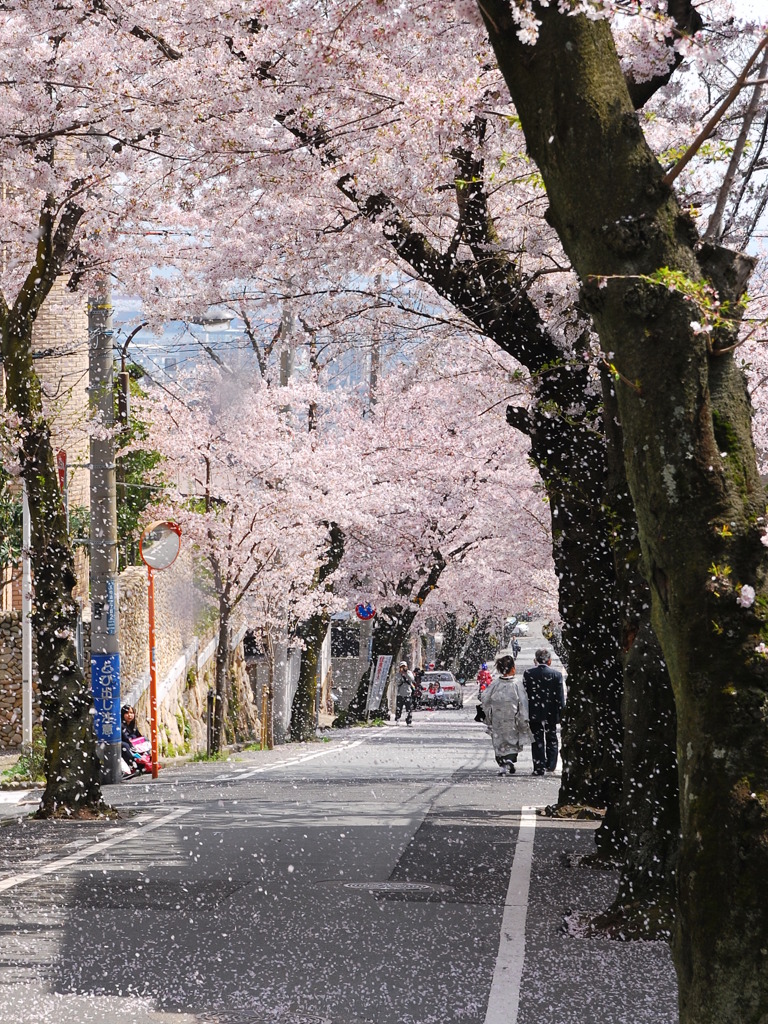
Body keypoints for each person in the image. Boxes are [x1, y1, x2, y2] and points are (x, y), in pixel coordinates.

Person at [481, 650, 531, 775]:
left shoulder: (495, 684)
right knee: (512, 741)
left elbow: (485, 699)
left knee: (499, 742)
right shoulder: (517, 684)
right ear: (513, 669)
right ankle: (510, 759)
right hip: (513, 718)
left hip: (497, 718)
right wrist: (524, 719)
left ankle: (502, 764)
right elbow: (523, 703)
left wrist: (488, 715)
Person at [523, 648, 566, 776]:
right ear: (549, 661)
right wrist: (562, 713)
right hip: (551, 712)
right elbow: (560, 697)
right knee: (552, 737)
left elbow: (525, 694)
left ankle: (538, 767)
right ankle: (551, 765)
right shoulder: (556, 675)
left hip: (534, 711)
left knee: (536, 739)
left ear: (536, 660)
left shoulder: (528, 674)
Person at [120, 704, 145, 774]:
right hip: (126, 746)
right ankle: (133, 765)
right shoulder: (121, 725)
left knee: (144, 740)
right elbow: (125, 738)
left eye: (131, 713)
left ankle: (145, 760)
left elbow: (139, 736)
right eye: (127, 713)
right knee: (125, 745)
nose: (129, 715)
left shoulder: (133, 725)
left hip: (134, 746)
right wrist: (132, 746)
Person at [394, 661, 414, 726]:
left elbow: (412, 679)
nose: (403, 668)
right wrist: (401, 675)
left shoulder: (409, 672)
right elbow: (397, 682)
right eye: (401, 667)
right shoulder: (398, 674)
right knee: (399, 708)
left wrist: (406, 673)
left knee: (409, 709)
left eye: (404, 666)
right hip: (400, 694)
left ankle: (409, 721)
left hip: (408, 693)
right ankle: (398, 719)